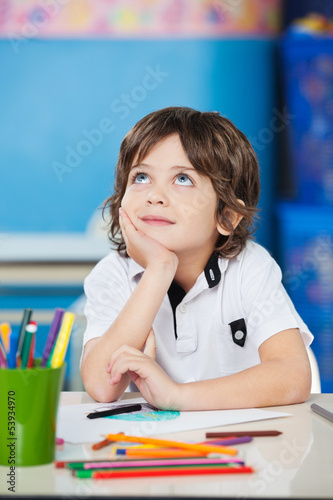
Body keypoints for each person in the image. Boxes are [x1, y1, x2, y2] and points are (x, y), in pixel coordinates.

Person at [80, 106, 313, 410]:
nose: (154, 195)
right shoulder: (111, 274)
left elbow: (293, 376)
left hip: (241, 446)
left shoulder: (250, 267)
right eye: (140, 176)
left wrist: (176, 396)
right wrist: (159, 269)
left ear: (227, 217)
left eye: (183, 179)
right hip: (157, 447)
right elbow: (100, 385)